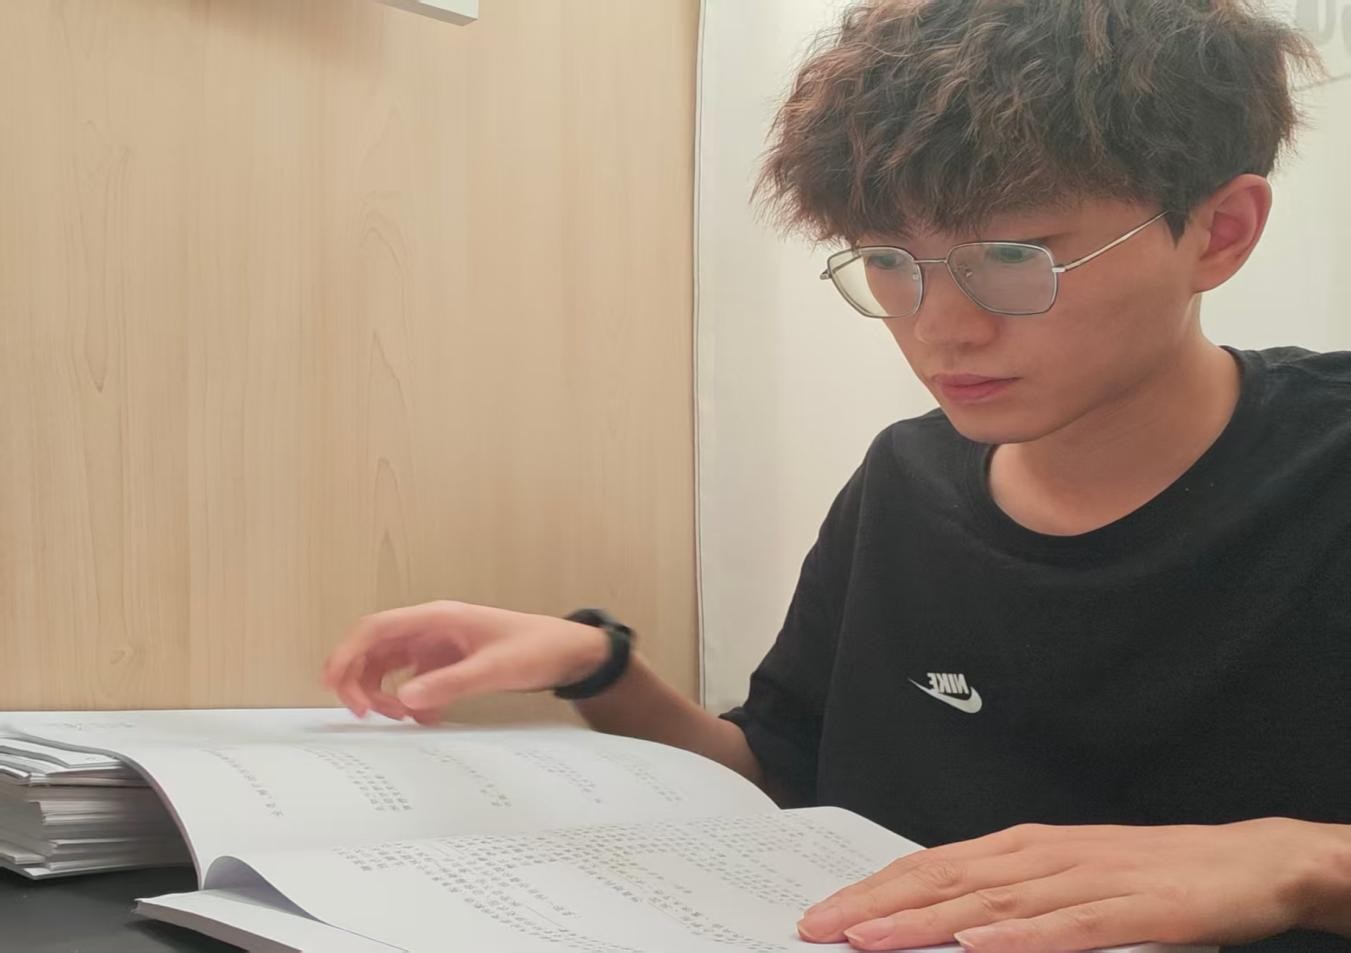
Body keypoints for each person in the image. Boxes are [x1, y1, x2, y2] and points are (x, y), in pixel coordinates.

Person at [323, 1, 1351, 950]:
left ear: (1218, 232)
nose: (941, 327)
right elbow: (778, 775)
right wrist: (597, 666)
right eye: (888, 262)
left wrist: (1311, 860)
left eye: (1013, 257)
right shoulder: (906, 480)